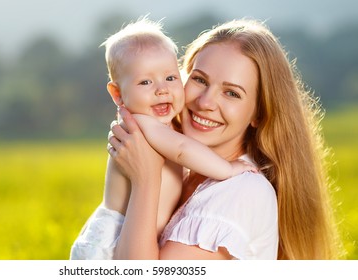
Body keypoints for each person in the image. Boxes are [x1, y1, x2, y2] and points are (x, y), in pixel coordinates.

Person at [108, 19, 342, 259]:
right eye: (199, 79)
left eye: (232, 93)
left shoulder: (242, 190)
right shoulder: (188, 173)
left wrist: (145, 181)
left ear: (259, 114)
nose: (205, 103)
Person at [70, 17, 256, 260]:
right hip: (112, 243)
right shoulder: (142, 125)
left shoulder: (160, 125)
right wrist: (228, 169)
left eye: (170, 78)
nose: (162, 90)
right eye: (145, 82)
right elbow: (181, 150)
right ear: (118, 93)